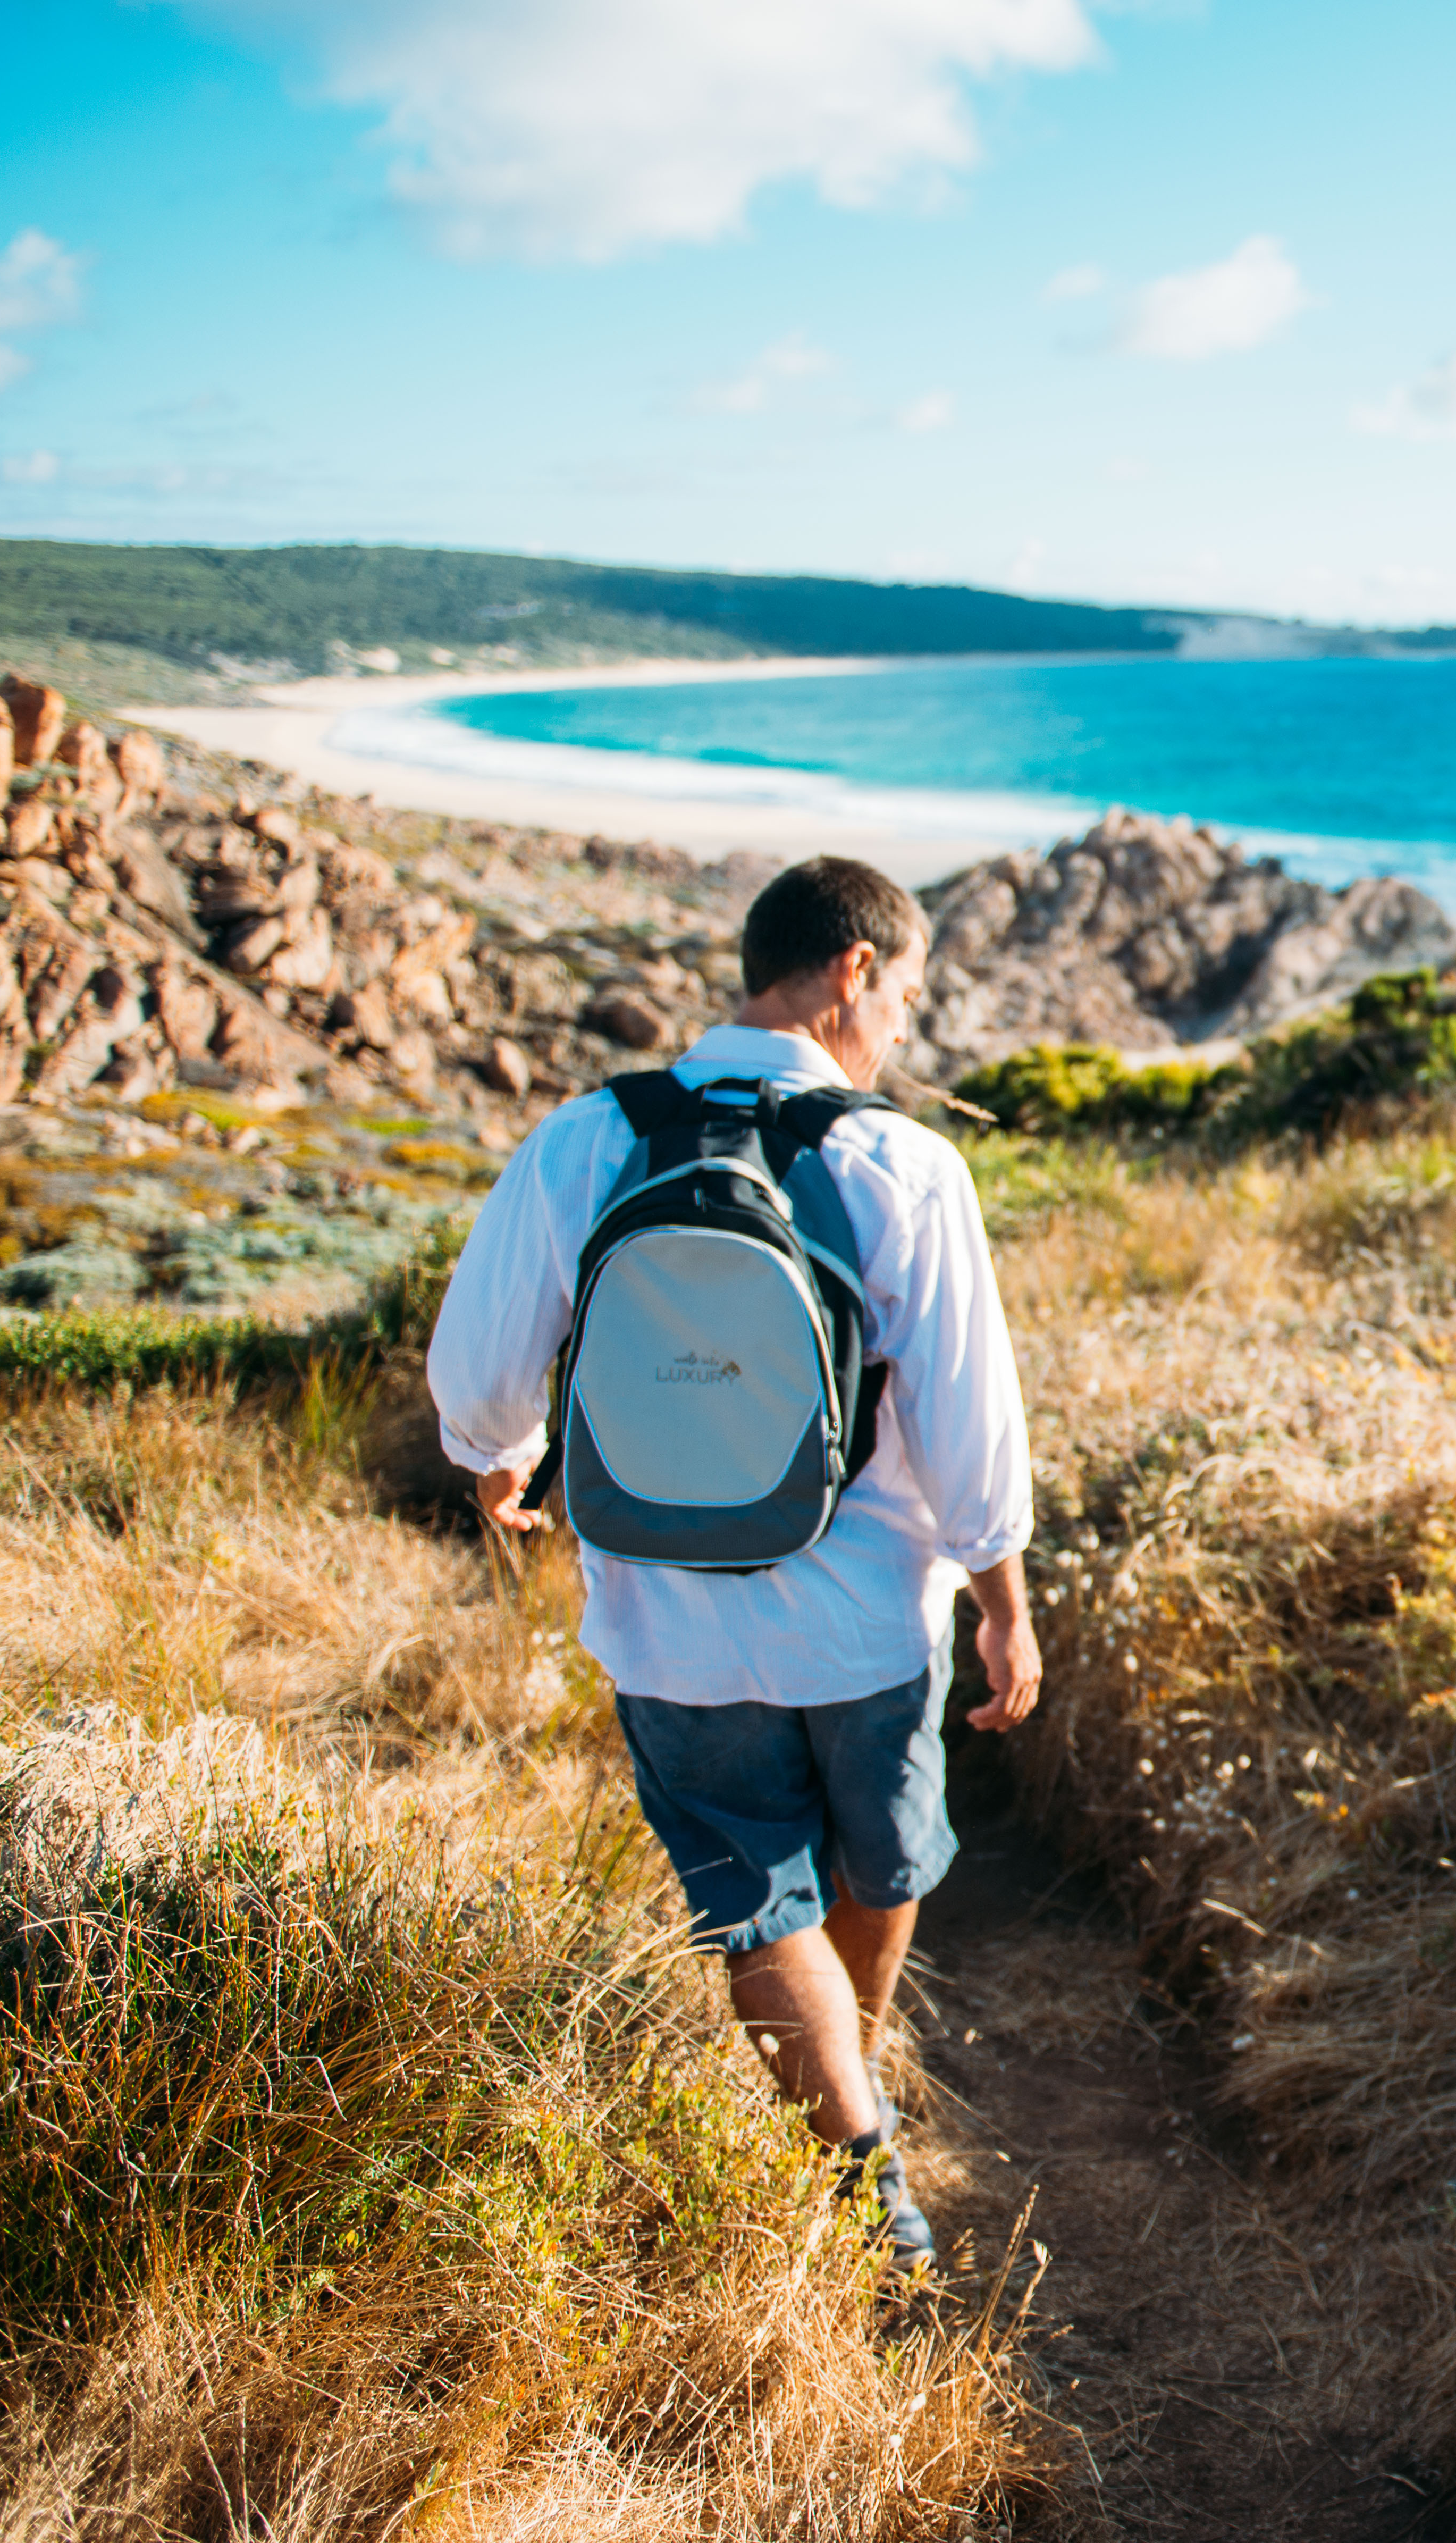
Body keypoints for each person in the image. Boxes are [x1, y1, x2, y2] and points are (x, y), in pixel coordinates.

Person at [428, 853, 1041, 2272]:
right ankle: (857, 2117)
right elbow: (970, 1417)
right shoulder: (901, 1160)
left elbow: (478, 1378)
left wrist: (498, 1453)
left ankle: (841, 2124)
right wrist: (1005, 1604)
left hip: (666, 1624)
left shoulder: (586, 1140)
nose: (905, 1029)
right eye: (909, 995)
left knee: (752, 1895)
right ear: (853, 973)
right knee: (880, 1865)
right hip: (873, 1622)